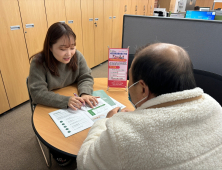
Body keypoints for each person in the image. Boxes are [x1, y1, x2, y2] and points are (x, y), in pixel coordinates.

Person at [77, 43, 222, 170]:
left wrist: (104, 122)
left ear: (142, 89)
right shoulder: (215, 107)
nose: (128, 85)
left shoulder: (121, 133)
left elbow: (85, 162)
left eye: (130, 79)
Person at [28, 22, 98, 166]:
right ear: (50, 46)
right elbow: (37, 93)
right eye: (63, 49)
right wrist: (65, 101)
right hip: (50, 104)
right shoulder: (39, 62)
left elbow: (86, 76)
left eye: (72, 47)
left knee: (89, 126)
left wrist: (84, 93)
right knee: (60, 145)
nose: (69, 53)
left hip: (71, 102)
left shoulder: (76, 56)